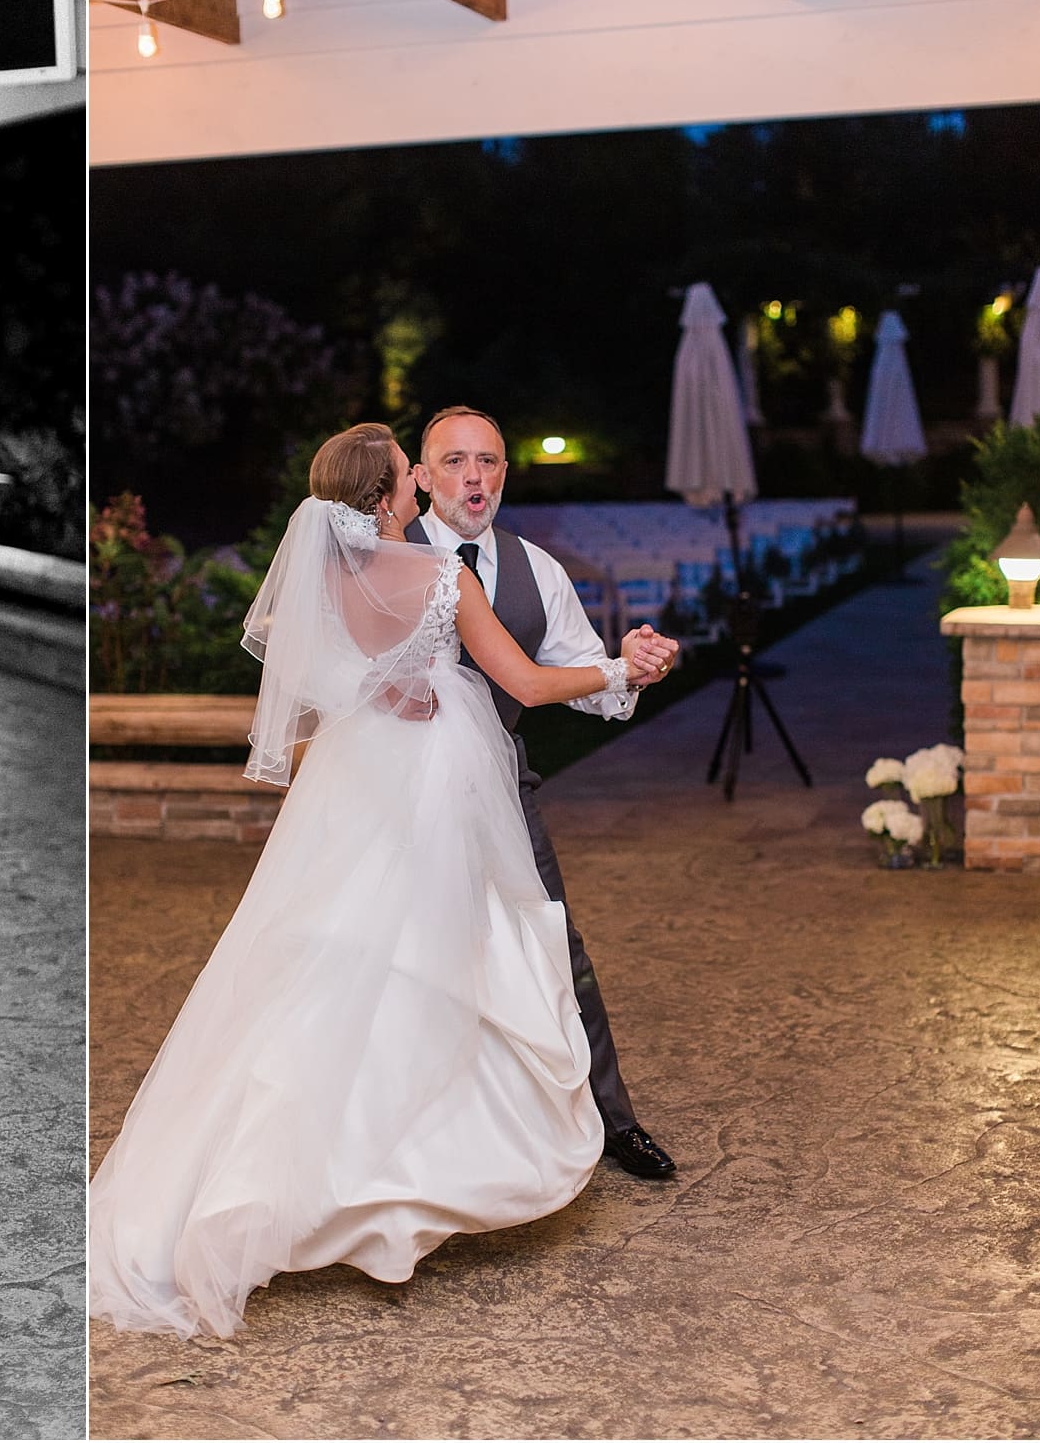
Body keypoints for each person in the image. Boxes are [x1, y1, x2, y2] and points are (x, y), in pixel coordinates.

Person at [89, 424, 642, 1339]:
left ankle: (267, 1180)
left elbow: (324, 678)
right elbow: (531, 687)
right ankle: (410, 1174)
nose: (421, 492)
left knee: (329, 960)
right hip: (434, 788)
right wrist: (624, 666)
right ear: (391, 496)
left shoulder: (323, 581)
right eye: (406, 481)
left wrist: (381, 689)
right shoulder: (440, 577)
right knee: (444, 954)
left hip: (352, 789)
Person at [410, 406, 678, 1179]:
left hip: (500, 787)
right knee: (409, 955)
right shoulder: (388, 558)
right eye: (455, 462)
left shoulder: (536, 567)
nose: (474, 478)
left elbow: (588, 684)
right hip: (401, 798)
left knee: (554, 948)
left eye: (488, 462)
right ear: (423, 478)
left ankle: (610, 1123)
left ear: (503, 475)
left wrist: (629, 663)